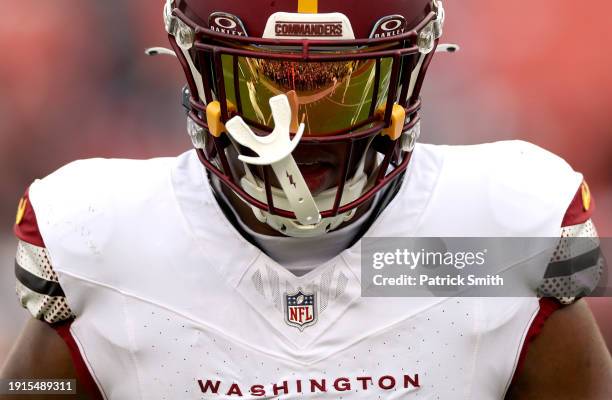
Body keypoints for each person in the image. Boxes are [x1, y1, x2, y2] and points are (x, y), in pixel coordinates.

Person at [2, 0, 611, 398]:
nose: (300, 130)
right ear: (197, 66)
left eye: (335, 86)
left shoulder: (489, 235)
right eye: (268, 83)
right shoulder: (103, 239)